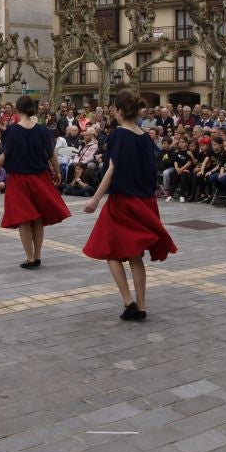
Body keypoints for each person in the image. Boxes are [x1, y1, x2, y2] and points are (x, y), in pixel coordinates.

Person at [83, 91, 177, 321]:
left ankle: (128, 302)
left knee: (110, 250)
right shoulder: (145, 136)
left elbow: (112, 169)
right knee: (135, 256)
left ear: (121, 112)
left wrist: (95, 199)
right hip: (145, 201)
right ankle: (141, 306)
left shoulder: (118, 135)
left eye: (114, 109)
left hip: (122, 201)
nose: (112, 112)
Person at [0, 95, 70, 269]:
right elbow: (51, 154)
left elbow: (5, 154)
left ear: (18, 110)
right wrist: (57, 172)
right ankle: (38, 256)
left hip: (18, 179)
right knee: (38, 219)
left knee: (24, 219)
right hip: (40, 177)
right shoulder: (43, 131)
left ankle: (30, 258)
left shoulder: (12, 131)